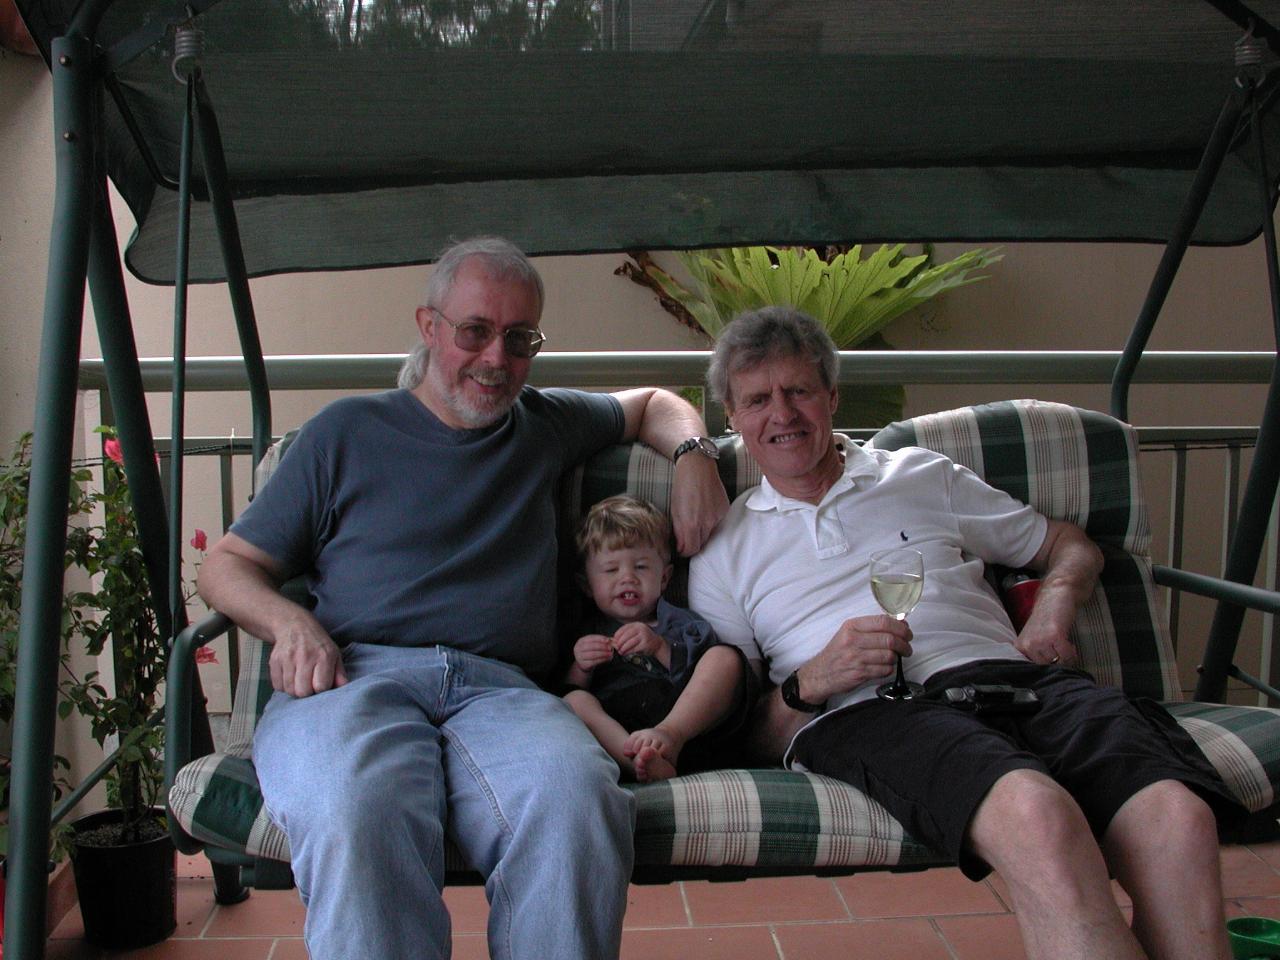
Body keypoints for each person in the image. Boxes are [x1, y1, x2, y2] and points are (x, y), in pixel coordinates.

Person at [196, 236, 730, 960]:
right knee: (360, 809)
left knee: (576, 803)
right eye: (475, 331)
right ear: (429, 327)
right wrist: (290, 623)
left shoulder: (544, 424)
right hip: (356, 679)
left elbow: (653, 403)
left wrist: (696, 457)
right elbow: (226, 566)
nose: (495, 360)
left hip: (503, 694)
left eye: (520, 340)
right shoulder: (344, 434)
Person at [687, 306, 1244, 960]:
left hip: (1025, 682)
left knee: (1177, 819)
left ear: (831, 396)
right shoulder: (724, 549)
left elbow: (1068, 546)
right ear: (732, 415)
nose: (781, 414)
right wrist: (813, 681)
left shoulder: (920, 475)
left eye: (798, 391)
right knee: (1036, 814)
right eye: (757, 399)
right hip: (876, 713)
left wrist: (1052, 610)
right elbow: (742, 731)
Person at [563, 494, 754, 782]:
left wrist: (660, 646)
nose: (627, 578)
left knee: (724, 657)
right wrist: (581, 667)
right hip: (622, 727)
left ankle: (667, 738)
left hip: (687, 728)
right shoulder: (584, 632)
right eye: (611, 570)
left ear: (664, 579)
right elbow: (565, 691)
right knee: (574, 701)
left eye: (640, 567)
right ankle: (637, 761)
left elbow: (707, 681)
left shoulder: (682, 623)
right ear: (587, 585)